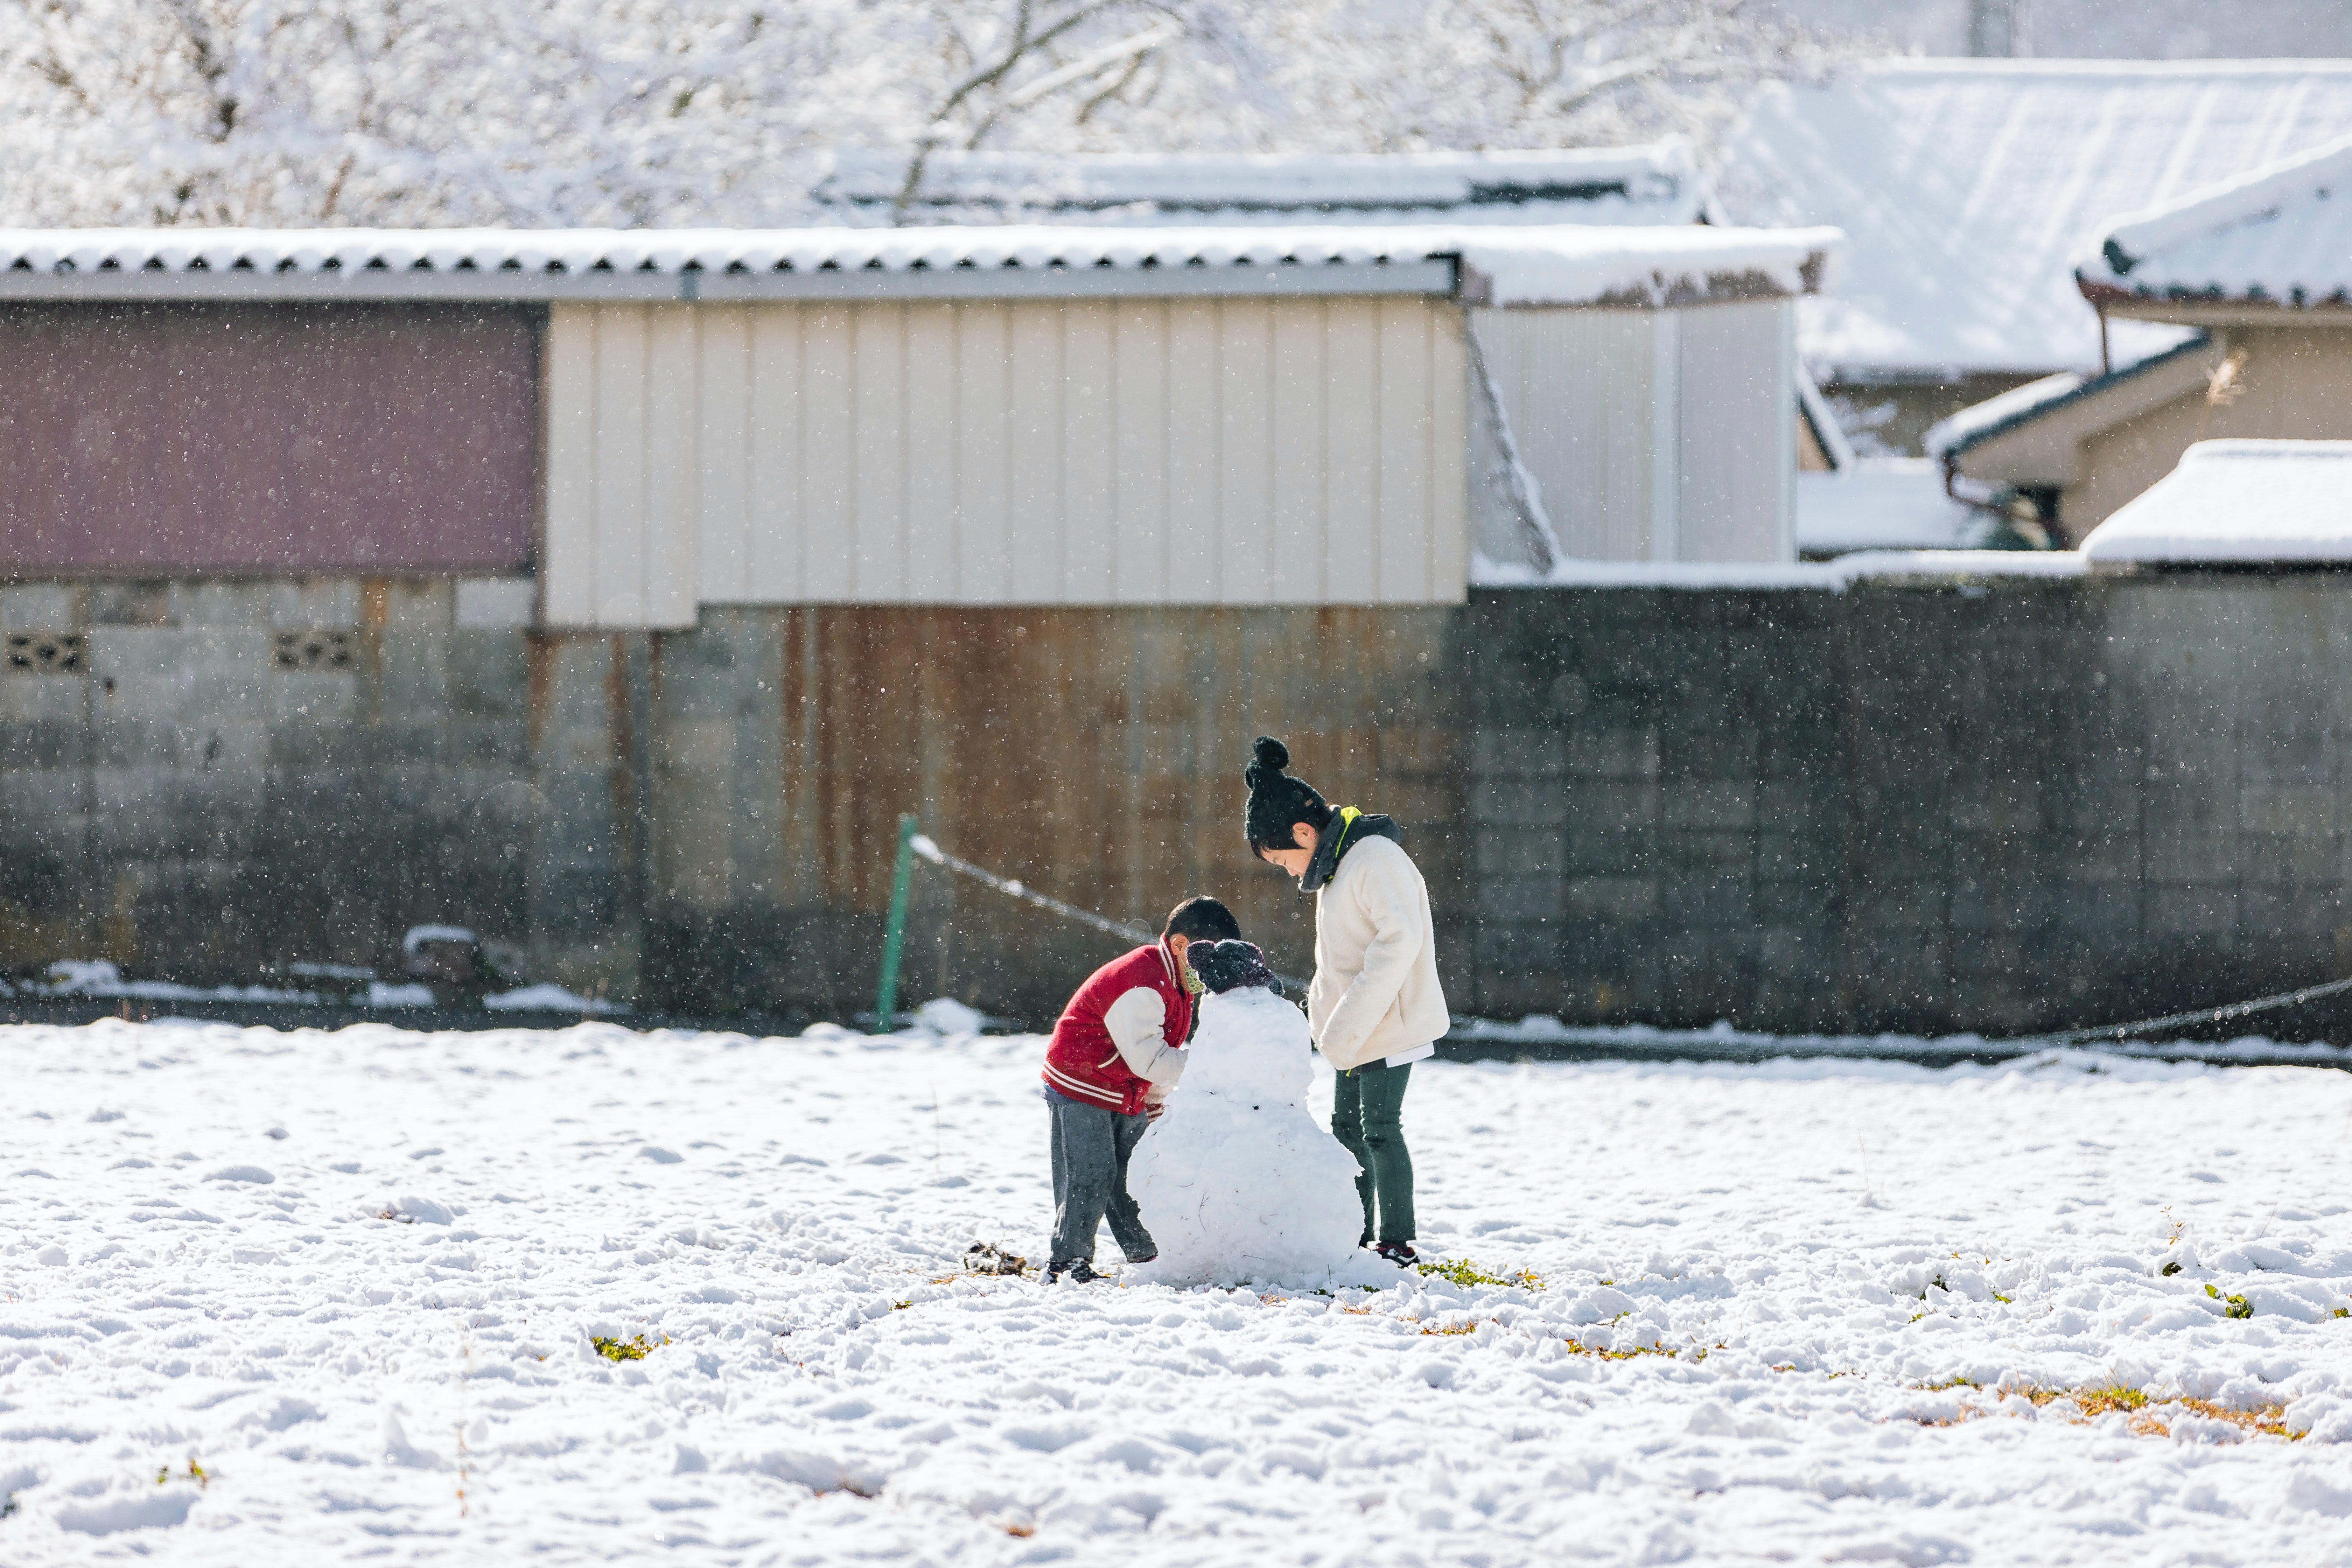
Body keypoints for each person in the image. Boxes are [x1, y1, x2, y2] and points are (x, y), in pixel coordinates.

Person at [1243, 736, 1448, 1267]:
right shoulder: (1337, 867)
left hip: (1387, 1025)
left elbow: (1397, 942)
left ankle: (1396, 1241)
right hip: (1350, 1032)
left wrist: (1346, 1023)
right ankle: (1352, 1234)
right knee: (1346, 1132)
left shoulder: (1374, 858)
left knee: (1380, 1129)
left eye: (1283, 858)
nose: (1287, 871)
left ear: (1304, 833)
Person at [1039, 895, 1243, 1283]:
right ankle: (1067, 1262)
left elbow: (1156, 1052)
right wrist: (1213, 1065)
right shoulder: (1143, 981)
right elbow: (1151, 1057)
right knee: (1090, 1172)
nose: (1210, 974)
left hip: (1123, 1083)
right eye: (1207, 961)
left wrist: (1153, 1098)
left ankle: (1146, 1256)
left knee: (1134, 1173)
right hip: (1082, 1081)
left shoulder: (1178, 982)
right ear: (1182, 946)